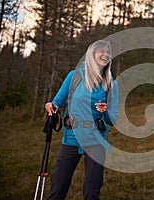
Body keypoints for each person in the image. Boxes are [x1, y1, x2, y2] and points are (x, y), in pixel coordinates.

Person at [45, 40, 118, 200]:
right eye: (101, 51)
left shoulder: (111, 84)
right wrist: (52, 106)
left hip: (96, 140)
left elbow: (113, 119)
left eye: (108, 52)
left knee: (92, 192)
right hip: (71, 137)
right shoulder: (75, 76)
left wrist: (104, 112)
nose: (105, 54)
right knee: (58, 186)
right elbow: (59, 100)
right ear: (92, 54)